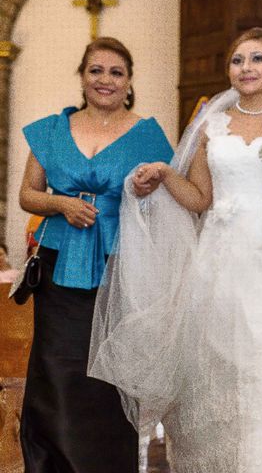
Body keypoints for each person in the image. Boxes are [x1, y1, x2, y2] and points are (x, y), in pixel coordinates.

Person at [88, 27, 262, 472]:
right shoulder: (211, 124)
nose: (245, 68)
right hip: (220, 269)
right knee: (221, 381)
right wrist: (164, 176)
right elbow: (200, 200)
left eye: (257, 59)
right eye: (237, 60)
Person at [17, 37, 174, 472]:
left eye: (116, 72)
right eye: (96, 70)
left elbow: (168, 203)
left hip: (119, 264)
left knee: (107, 375)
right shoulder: (50, 129)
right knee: (56, 370)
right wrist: (62, 204)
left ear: (128, 83)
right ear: (82, 76)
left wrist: (140, 193)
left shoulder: (148, 134)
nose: (105, 80)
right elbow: (28, 194)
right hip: (56, 264)